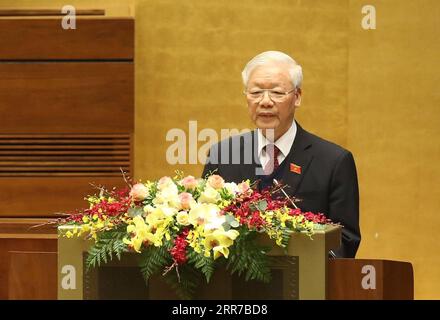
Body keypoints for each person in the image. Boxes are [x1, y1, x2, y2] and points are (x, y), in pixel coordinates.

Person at [202, 51, 360, 258]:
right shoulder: (222, 154)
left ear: (297, 97)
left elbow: (345, 240)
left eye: (277, 93)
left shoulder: (334, 161)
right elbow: (204, 226)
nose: (265, 102)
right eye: (256, 92)